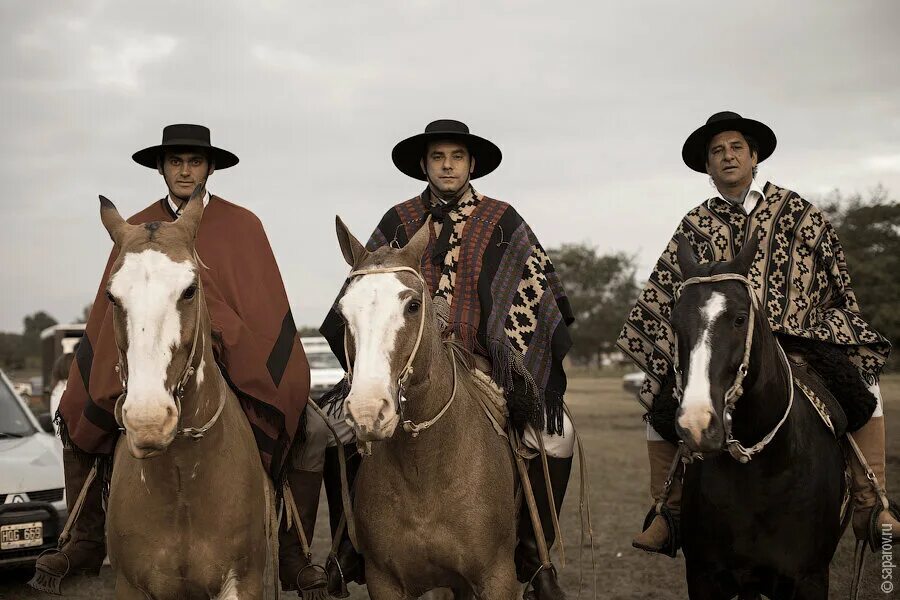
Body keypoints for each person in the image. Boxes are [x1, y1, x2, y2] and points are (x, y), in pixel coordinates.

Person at [32, 124, 325, 596]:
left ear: (210, 167)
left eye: (194, 161)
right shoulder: (134, 227)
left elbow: (262, 301)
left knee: (313, 431)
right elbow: (118, 305)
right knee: (76, 409)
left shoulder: (241, 224)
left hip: (235, 357)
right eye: (175, 162)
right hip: (147, 356)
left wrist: (224, 329)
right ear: (162, 168)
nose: (185, 170)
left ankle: (294, 553)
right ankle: (84, 537)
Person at [310, 119, 576, 599]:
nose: (447, 165)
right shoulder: (397, 219)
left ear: (472, 164)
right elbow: (363, 289)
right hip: (399, 367)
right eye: (438, 157)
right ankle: (350, 545)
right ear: (424, 165)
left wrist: (506, 364)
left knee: (558, 435)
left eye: (456, 157)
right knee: (334, 430)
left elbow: (536, 294)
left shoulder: (502, 220)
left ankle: (534, 557)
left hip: (484, 368)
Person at [619, 111, 899, 555]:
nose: (727, 157)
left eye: (735, 148)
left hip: (798, 339)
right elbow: (668, 294)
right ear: (707, 168)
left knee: (864, 380)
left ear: (754, 157)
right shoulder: (692, 226)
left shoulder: (799, 213)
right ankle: (668, 510)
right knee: (659, 393)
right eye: (717, 152)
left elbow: (833, 281)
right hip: (719, 347)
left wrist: (811, 320)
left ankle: (872, 503)